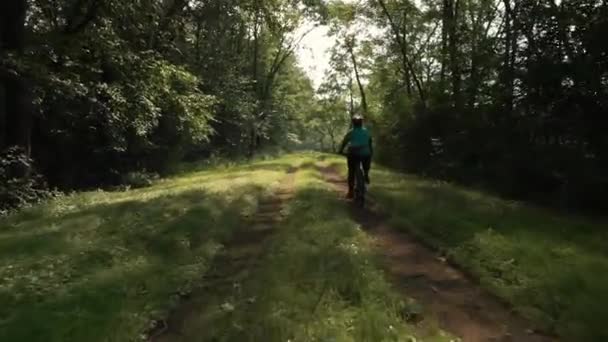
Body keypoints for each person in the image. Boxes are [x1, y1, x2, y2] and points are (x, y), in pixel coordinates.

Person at [338, 114, 373, 199]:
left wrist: (340, 150)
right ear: (362, 123)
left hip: (353, 154)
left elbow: (344, 142)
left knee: (351, 171)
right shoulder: (367, 132)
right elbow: (370, 144)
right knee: (366, 165)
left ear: (353, 123)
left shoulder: (351, 132)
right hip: (365, 154)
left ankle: (350, 192)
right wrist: (371, 152)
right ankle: (366, 174)